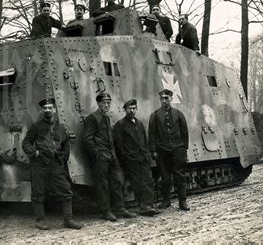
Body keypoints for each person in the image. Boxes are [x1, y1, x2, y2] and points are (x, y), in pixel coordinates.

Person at [22, 98, 83, 230]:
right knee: (38, 193)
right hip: (39, 165)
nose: (47, 110)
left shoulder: (60, 127)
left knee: (66, 191)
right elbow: (26, 143)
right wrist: (35, 153)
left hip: (55, 165)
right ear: (42, 110)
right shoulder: (36, 127)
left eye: (50, 108)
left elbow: (66, 144)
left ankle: (68, 220)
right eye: (45, 108)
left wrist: (63, 158)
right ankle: (40, 220)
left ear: (54, 110)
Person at [82, 92, 137, 221]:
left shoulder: (106, 118)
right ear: (99, 104)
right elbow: (87, 139)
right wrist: (97, 153)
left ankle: (120, 208)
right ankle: (106, 211)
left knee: (116, 182)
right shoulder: (92, 118)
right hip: (101, 157)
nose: (106, 105)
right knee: (103, 185)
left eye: (108, 103)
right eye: (104, 103)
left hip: (110, 156)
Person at [113, 99, 160, 216]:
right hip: (131, 159)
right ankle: (144, 207)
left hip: (143, 158)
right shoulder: (120, 125)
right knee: (137, 183)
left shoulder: (139, 124)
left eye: (134, 108)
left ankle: (149, 205)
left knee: (148, 181)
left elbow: (144, 140)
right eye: (129, 109)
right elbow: (119, 145)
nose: (132, 111)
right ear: (124, 110)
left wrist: (147, 155)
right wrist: (125, 159)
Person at [148, 89, 190, 211]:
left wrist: (184, 148)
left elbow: (184, 132)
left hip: (178, 150)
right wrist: (153, 150)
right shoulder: (155, 116)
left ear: (171, 99)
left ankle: (183, 202)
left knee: (179, 176)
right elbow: (152, 134)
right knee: (165, 177)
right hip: (162, 151)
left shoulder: (178, 114)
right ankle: (166, 200)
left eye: (166, 98)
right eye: (162, 99)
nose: (164, 101)